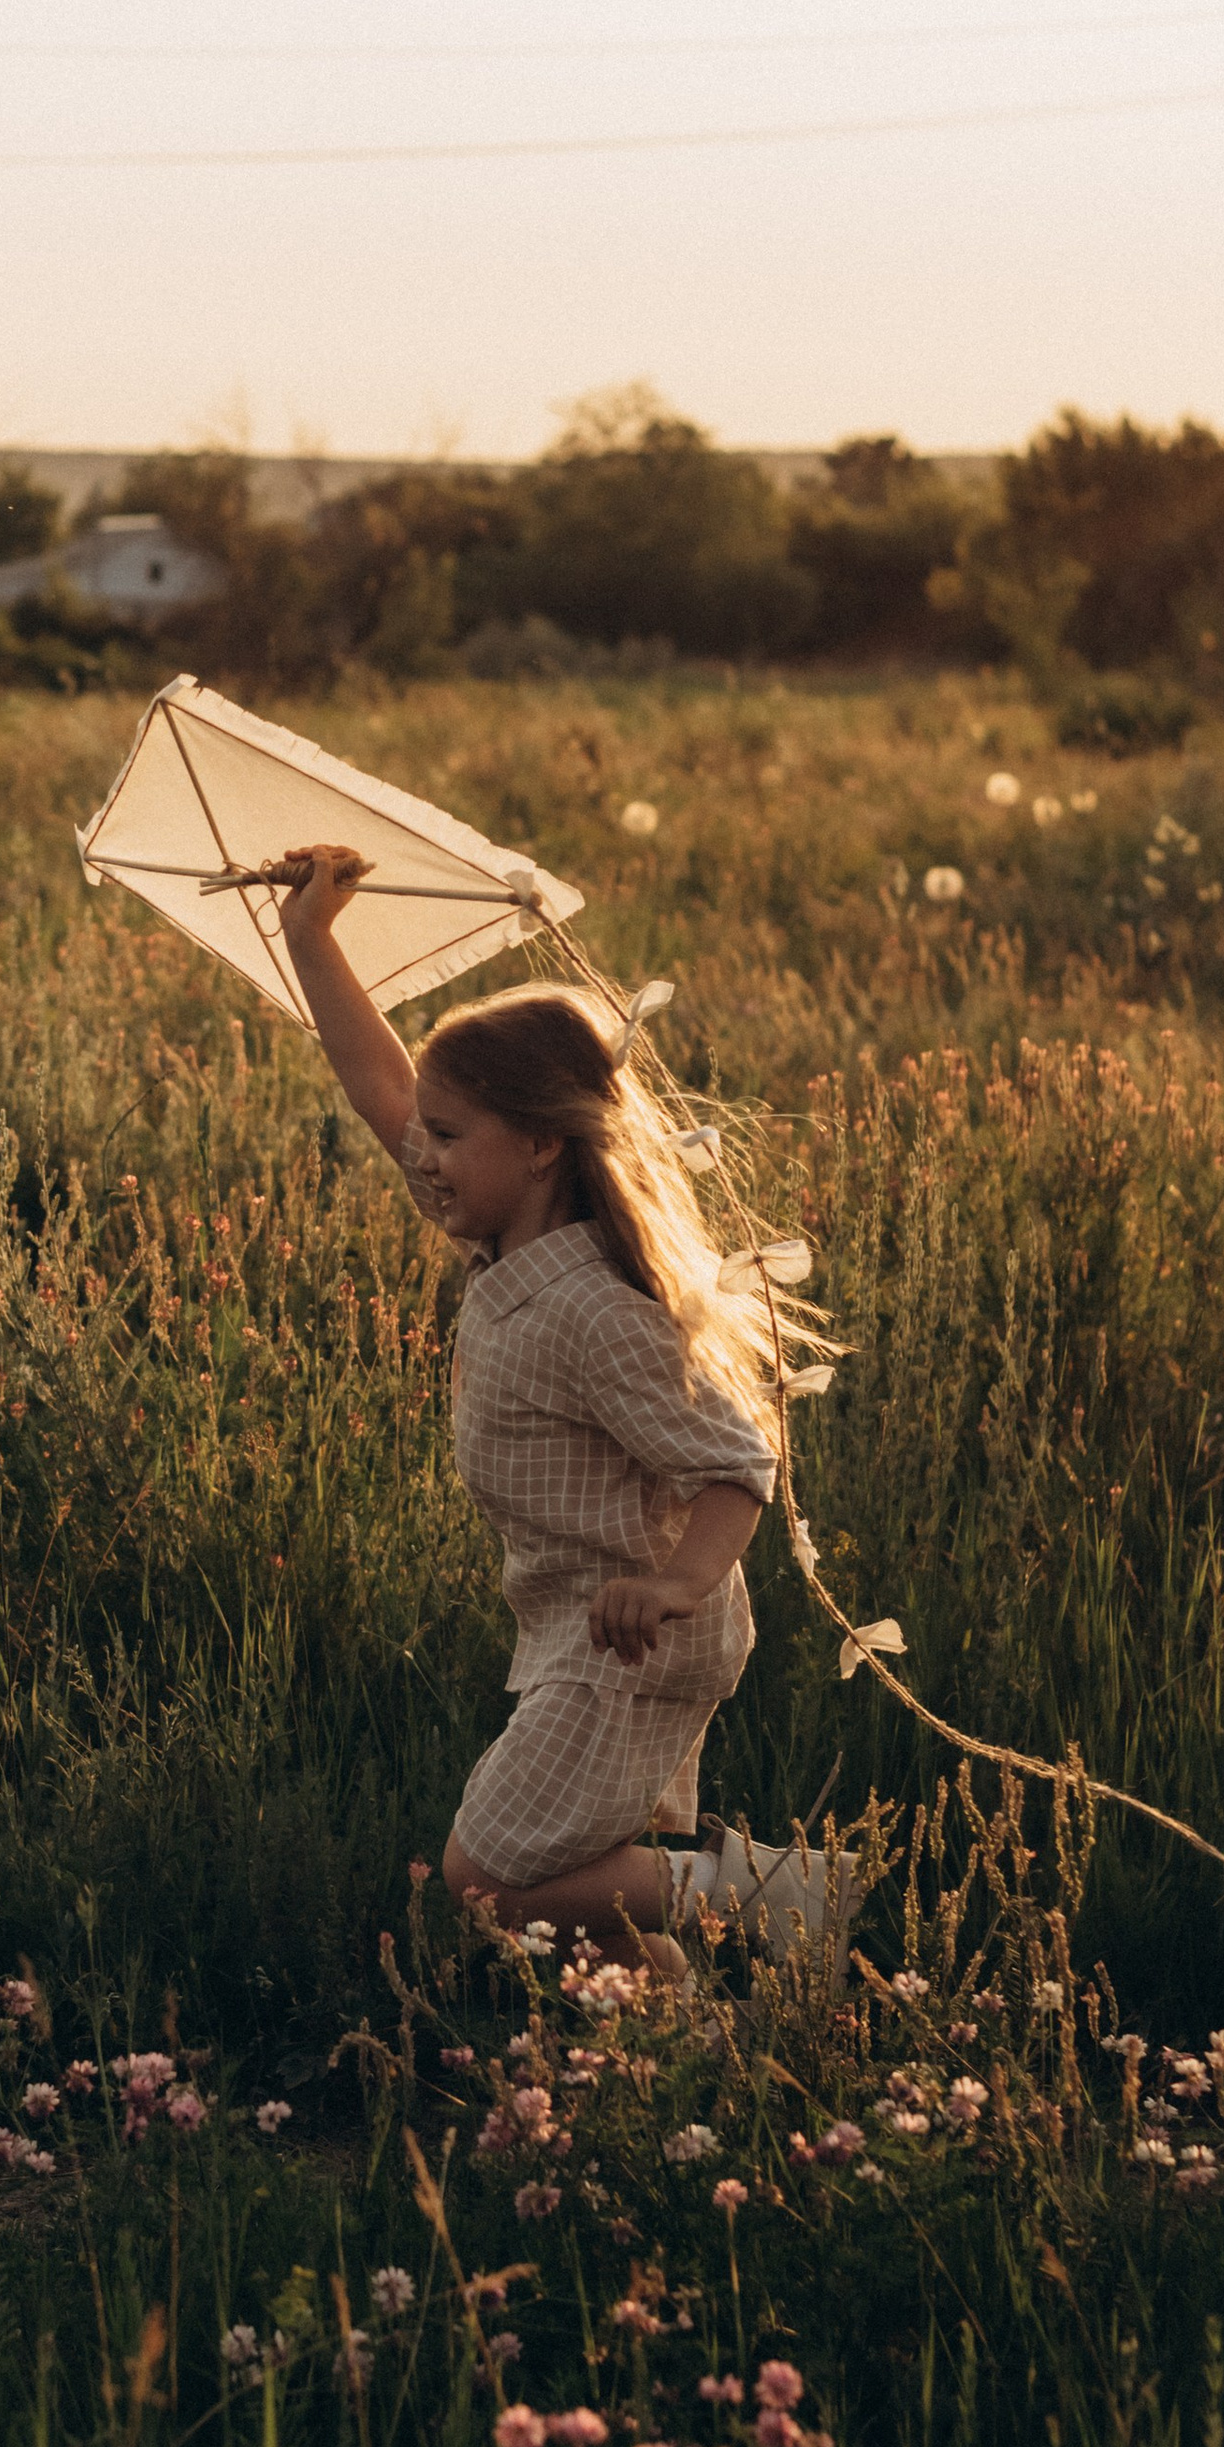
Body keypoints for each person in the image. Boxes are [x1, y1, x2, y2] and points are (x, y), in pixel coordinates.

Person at [274, 844, 855, 1977]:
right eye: (429, 1134)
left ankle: (761, 1891)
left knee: (488, 1872)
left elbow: (737, 1457)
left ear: (540, 1142)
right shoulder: (502, 1237)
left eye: (449, 1136)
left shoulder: (594, 1306)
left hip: (632, 1637)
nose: (422, 1155)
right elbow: (380, 1082)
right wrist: (311, 939)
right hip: (574, 1627)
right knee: (576, 1880)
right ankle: (667, 2040)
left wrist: (680, 1582)